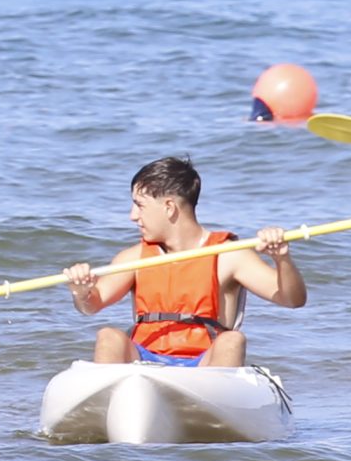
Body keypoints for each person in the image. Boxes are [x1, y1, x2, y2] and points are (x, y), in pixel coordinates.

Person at [64, 155, 304, 367]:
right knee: (108, 336)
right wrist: (81, 292)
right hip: (145, 359)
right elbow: (92, 305)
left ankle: (211, 410)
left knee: (232, 340)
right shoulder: (134, 257)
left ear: (169, 207)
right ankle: (109, 409)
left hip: (205, 364)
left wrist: (281, 259)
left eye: (139, 205)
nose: (132, 216)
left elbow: (292, 300)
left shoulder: (229, 254)